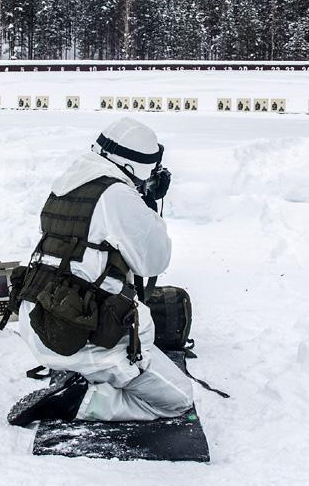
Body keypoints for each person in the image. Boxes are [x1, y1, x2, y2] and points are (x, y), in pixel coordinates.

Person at [11, 116, 193, 426]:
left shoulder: (68, 184)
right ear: (136, 168)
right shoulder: (117, 194)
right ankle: (81, 402)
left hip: (45, 326)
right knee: (177, 399)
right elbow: (154, 261)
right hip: (89, 339)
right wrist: (148, 201)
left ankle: (80, 380)